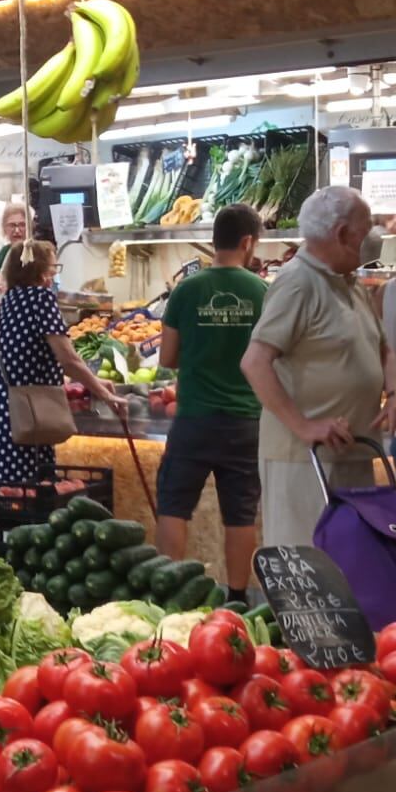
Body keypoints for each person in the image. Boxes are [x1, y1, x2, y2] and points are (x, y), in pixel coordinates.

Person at [240, 185, 396, 546]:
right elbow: (254, 362)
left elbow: (384, 349)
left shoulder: (350, 282)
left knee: (350, 565)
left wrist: (395, 393)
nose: (373, 236)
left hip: (352, 455)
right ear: (342, 234)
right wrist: (304, 426)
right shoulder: (297, 283)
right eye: (366, 228)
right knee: (312, 566)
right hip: (305, 462)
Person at [156, 203, 268, 601]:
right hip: (245, 421)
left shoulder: (187, 290)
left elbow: (167, 357)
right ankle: (237, 596)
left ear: (214, 240)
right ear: (247, 242)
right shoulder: (262, 291)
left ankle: (169, 592)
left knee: (173, 506)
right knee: (240, 514)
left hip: (193, 418)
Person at [0, 239, 125, 492]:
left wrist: (94, 382)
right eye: (54, 268)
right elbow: (68, 359)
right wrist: (103, 393)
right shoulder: (41, 299)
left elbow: (32, 354)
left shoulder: (9, 300)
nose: (54, 276)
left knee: (4, 494)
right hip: (23, 414)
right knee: (29, 490)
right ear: (42, 273)